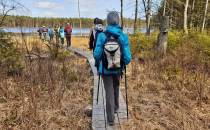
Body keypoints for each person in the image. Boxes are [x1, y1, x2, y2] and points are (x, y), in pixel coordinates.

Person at [93, 11, 131, 125]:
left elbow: (96, 55)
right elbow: (128, 58)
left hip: (105, 69)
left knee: (108, 92)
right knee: (116, 88)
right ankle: (116, 108)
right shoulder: (123, 36)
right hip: (118, 69)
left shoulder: (101, 35)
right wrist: (121, 61)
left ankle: (110, 119)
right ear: (118, 20)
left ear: (108, 21)